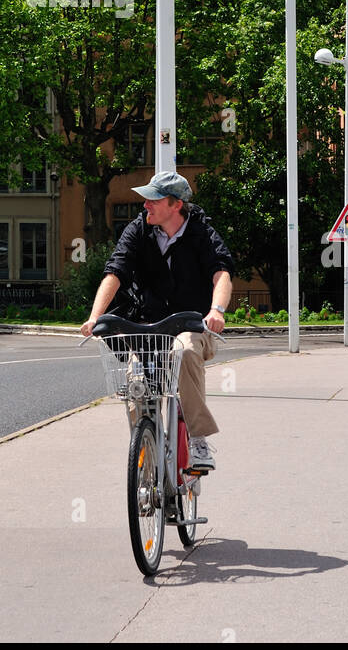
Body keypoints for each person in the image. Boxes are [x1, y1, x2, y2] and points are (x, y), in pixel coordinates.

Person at [80, 171, 233, 472]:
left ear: (175, 205)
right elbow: (115, 272)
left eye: (154, 199)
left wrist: (216, 310)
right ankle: (148, 472)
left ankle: (198, 438)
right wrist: (95, 316)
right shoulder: (139, 230)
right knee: (136, 382)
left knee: (185, 351)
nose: (146, 205)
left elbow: (222, 273)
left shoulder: (201, 232)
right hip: (147, 325)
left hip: (190, 324)